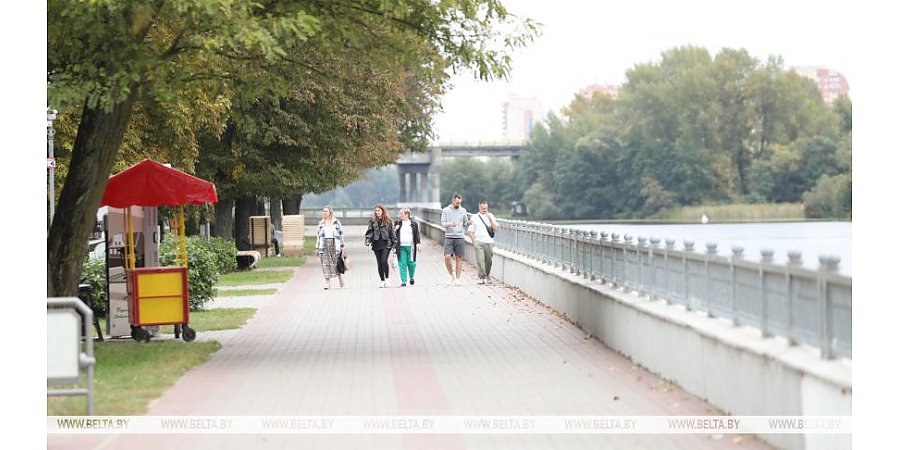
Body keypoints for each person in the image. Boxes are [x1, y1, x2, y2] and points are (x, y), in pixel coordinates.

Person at [441, 193, 470, 286]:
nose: (458, 204)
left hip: (460, 236)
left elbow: (465, 223)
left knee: (459, 258)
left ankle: (458, 279)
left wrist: (469, 222)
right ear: (453, 201)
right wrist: (450, 224)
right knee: (447, 257)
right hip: (449, 236)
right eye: (457, 203)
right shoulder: (446, 210)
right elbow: (442, 223)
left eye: (459, 203)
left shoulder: (463, 210)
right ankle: (451, 274)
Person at [365, 204, 397, 288]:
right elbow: (370, 232)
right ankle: (382, 281)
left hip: (386, 244)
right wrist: (367, 240)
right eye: (376, 211)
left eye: (379, 210)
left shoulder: (388, 221)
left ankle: (387, 279)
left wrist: (394, 245)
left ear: (382, 211)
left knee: (384, 261)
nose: (377, 212)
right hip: (376, 244)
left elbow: (392, 233)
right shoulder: (372, 221)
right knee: (379, 263)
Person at [467, 200, 499, 284]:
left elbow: (496, 228)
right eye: (483, 208)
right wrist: (474, 242)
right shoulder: (474, 217)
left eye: (486, 208)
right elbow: (470, 231)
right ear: (479, 207)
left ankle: (487, 276)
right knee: (480, 261)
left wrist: (490, 220)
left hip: (489, 242)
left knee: (489, 261)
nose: (485, 210)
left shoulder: (491, 215)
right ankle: (482, 277)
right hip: (479, 242)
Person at [315, 206, 345, 289]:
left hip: (334, 244)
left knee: (336, 262)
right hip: (324, 245)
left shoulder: (336, 222)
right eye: (323, 211)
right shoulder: (321, 223)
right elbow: (318, 236)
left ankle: (341, 280)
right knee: (325, 263)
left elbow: (341, 234)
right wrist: (317, 247)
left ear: (330, 212)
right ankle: (327, 283)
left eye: (326, 211)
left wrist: (342, 246)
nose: (324, 213)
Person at [393, 208, 421, 287]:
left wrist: (418, 243)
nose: (400, 215)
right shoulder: (397, 223)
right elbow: (393, 234)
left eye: (401, 214)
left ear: (407, 214)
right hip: (401, 247)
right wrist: (396, 229)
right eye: (400, 214)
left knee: (412, 264)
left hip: (411, 247)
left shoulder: (413, 224)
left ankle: (411, 277)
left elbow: (417, 234)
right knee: (402, 264)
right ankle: (404, 281)